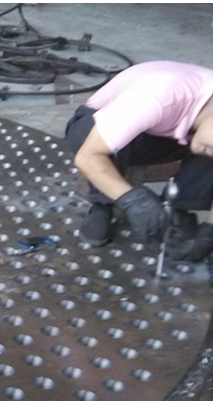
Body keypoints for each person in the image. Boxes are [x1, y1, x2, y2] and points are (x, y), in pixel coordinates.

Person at [64, 60, 213, 259]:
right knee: (99, 138)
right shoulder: (158, 96)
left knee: (207, 150)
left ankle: (180, 208)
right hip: (102, 122)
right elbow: (87, 156)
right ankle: (102, 203)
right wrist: (133, 201)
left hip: (165, 132)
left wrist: (210, 231)